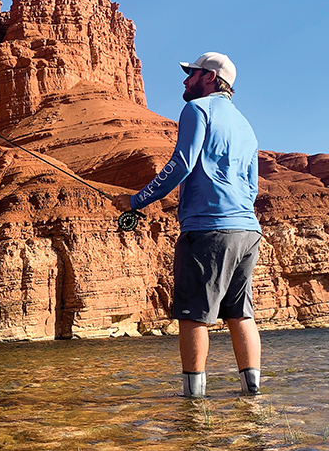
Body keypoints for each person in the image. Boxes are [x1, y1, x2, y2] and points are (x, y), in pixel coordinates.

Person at [112, 52, 262, 398]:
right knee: (240, 313)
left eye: (191, 73)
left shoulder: (197, 109)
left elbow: (181, 163)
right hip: (247, 231)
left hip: (208, 229)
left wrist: (136, 201)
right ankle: (251, 396)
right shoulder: (245, 125)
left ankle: (193, 401)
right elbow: (252, 186)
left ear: (209, 77)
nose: (185, 80)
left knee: (193, 314)